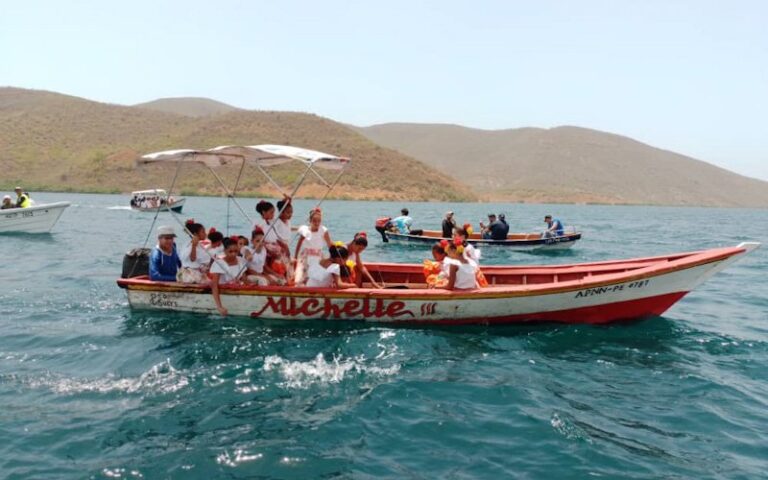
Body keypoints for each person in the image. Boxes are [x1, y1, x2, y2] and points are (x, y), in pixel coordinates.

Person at [210, 237, 249, 316]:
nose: (233, 254)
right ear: (225, 251)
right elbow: (214, 286)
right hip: (224, 295)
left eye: (235, 251)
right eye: (230, 251)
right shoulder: (219, 263)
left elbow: (245, 280)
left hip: (238, 294)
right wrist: (219, 307)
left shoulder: (240, 260)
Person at [294, 207, 333, 285]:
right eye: (314, 221)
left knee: (317, 278)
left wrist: (333, 256)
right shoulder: (305, 230)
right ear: (310, 221)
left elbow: (330, 244)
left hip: (318, 257)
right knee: (299, 279)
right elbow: (299, 243)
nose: (317, 223)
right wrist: (295, 256)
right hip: (306, 256)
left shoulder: (323, 230)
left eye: (319, 221)